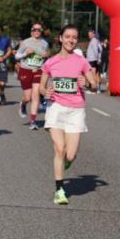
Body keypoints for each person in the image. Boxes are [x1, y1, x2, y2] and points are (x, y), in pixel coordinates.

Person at [41, 24, 99, 205]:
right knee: (60, 148)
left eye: (74, 37)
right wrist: (46, 92)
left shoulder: (81, 61)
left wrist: (87, 83)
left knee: (71, 155)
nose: (71, 40)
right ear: (60, 38)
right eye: (67, 37)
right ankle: (59, 190)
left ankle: (64, 164)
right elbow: (42, 87)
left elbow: (95, 85)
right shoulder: (50, 62)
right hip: (56, 108)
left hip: (76, 111)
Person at [15, 24, 50, 129]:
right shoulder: (26, 42)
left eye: (39, 30)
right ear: (31, 31)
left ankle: (32, 121)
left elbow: (46, 57)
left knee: (36, 95)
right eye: (34, 30)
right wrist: (25, 53)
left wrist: (46, 56)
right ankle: (23, 103)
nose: (36, 31)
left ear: (41, 31)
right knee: (28, 97)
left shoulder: (45, 43)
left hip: (38, 70)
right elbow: (17, 56)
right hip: (25, 70)